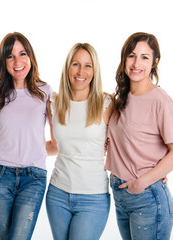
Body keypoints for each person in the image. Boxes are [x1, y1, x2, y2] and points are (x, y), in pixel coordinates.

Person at [105, 32, 173, 240]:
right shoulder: (121, 97)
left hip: (147, 198)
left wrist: (144, 181)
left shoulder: (161, 101)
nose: (136, 63)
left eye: (144, 57)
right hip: (120, 193)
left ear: (155, 62)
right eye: (131, 56)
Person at [0, 32, 51, 240]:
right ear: (4, 62)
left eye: (22, 54)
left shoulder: (45, 92)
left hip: (33, 177)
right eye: (10, 56)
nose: (17, 61)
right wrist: (2, 144)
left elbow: (63, 134)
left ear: (30, 56)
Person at [45, 43, 114, 240]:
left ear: (95, 71)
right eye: (75, 64)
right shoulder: (54, 103)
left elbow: (128, 141)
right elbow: (53, 146)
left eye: (88, 66)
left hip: (93, 197)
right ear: (68, 68)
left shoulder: (107, 103)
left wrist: (153, 169)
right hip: (57, 193)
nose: (81, 71)